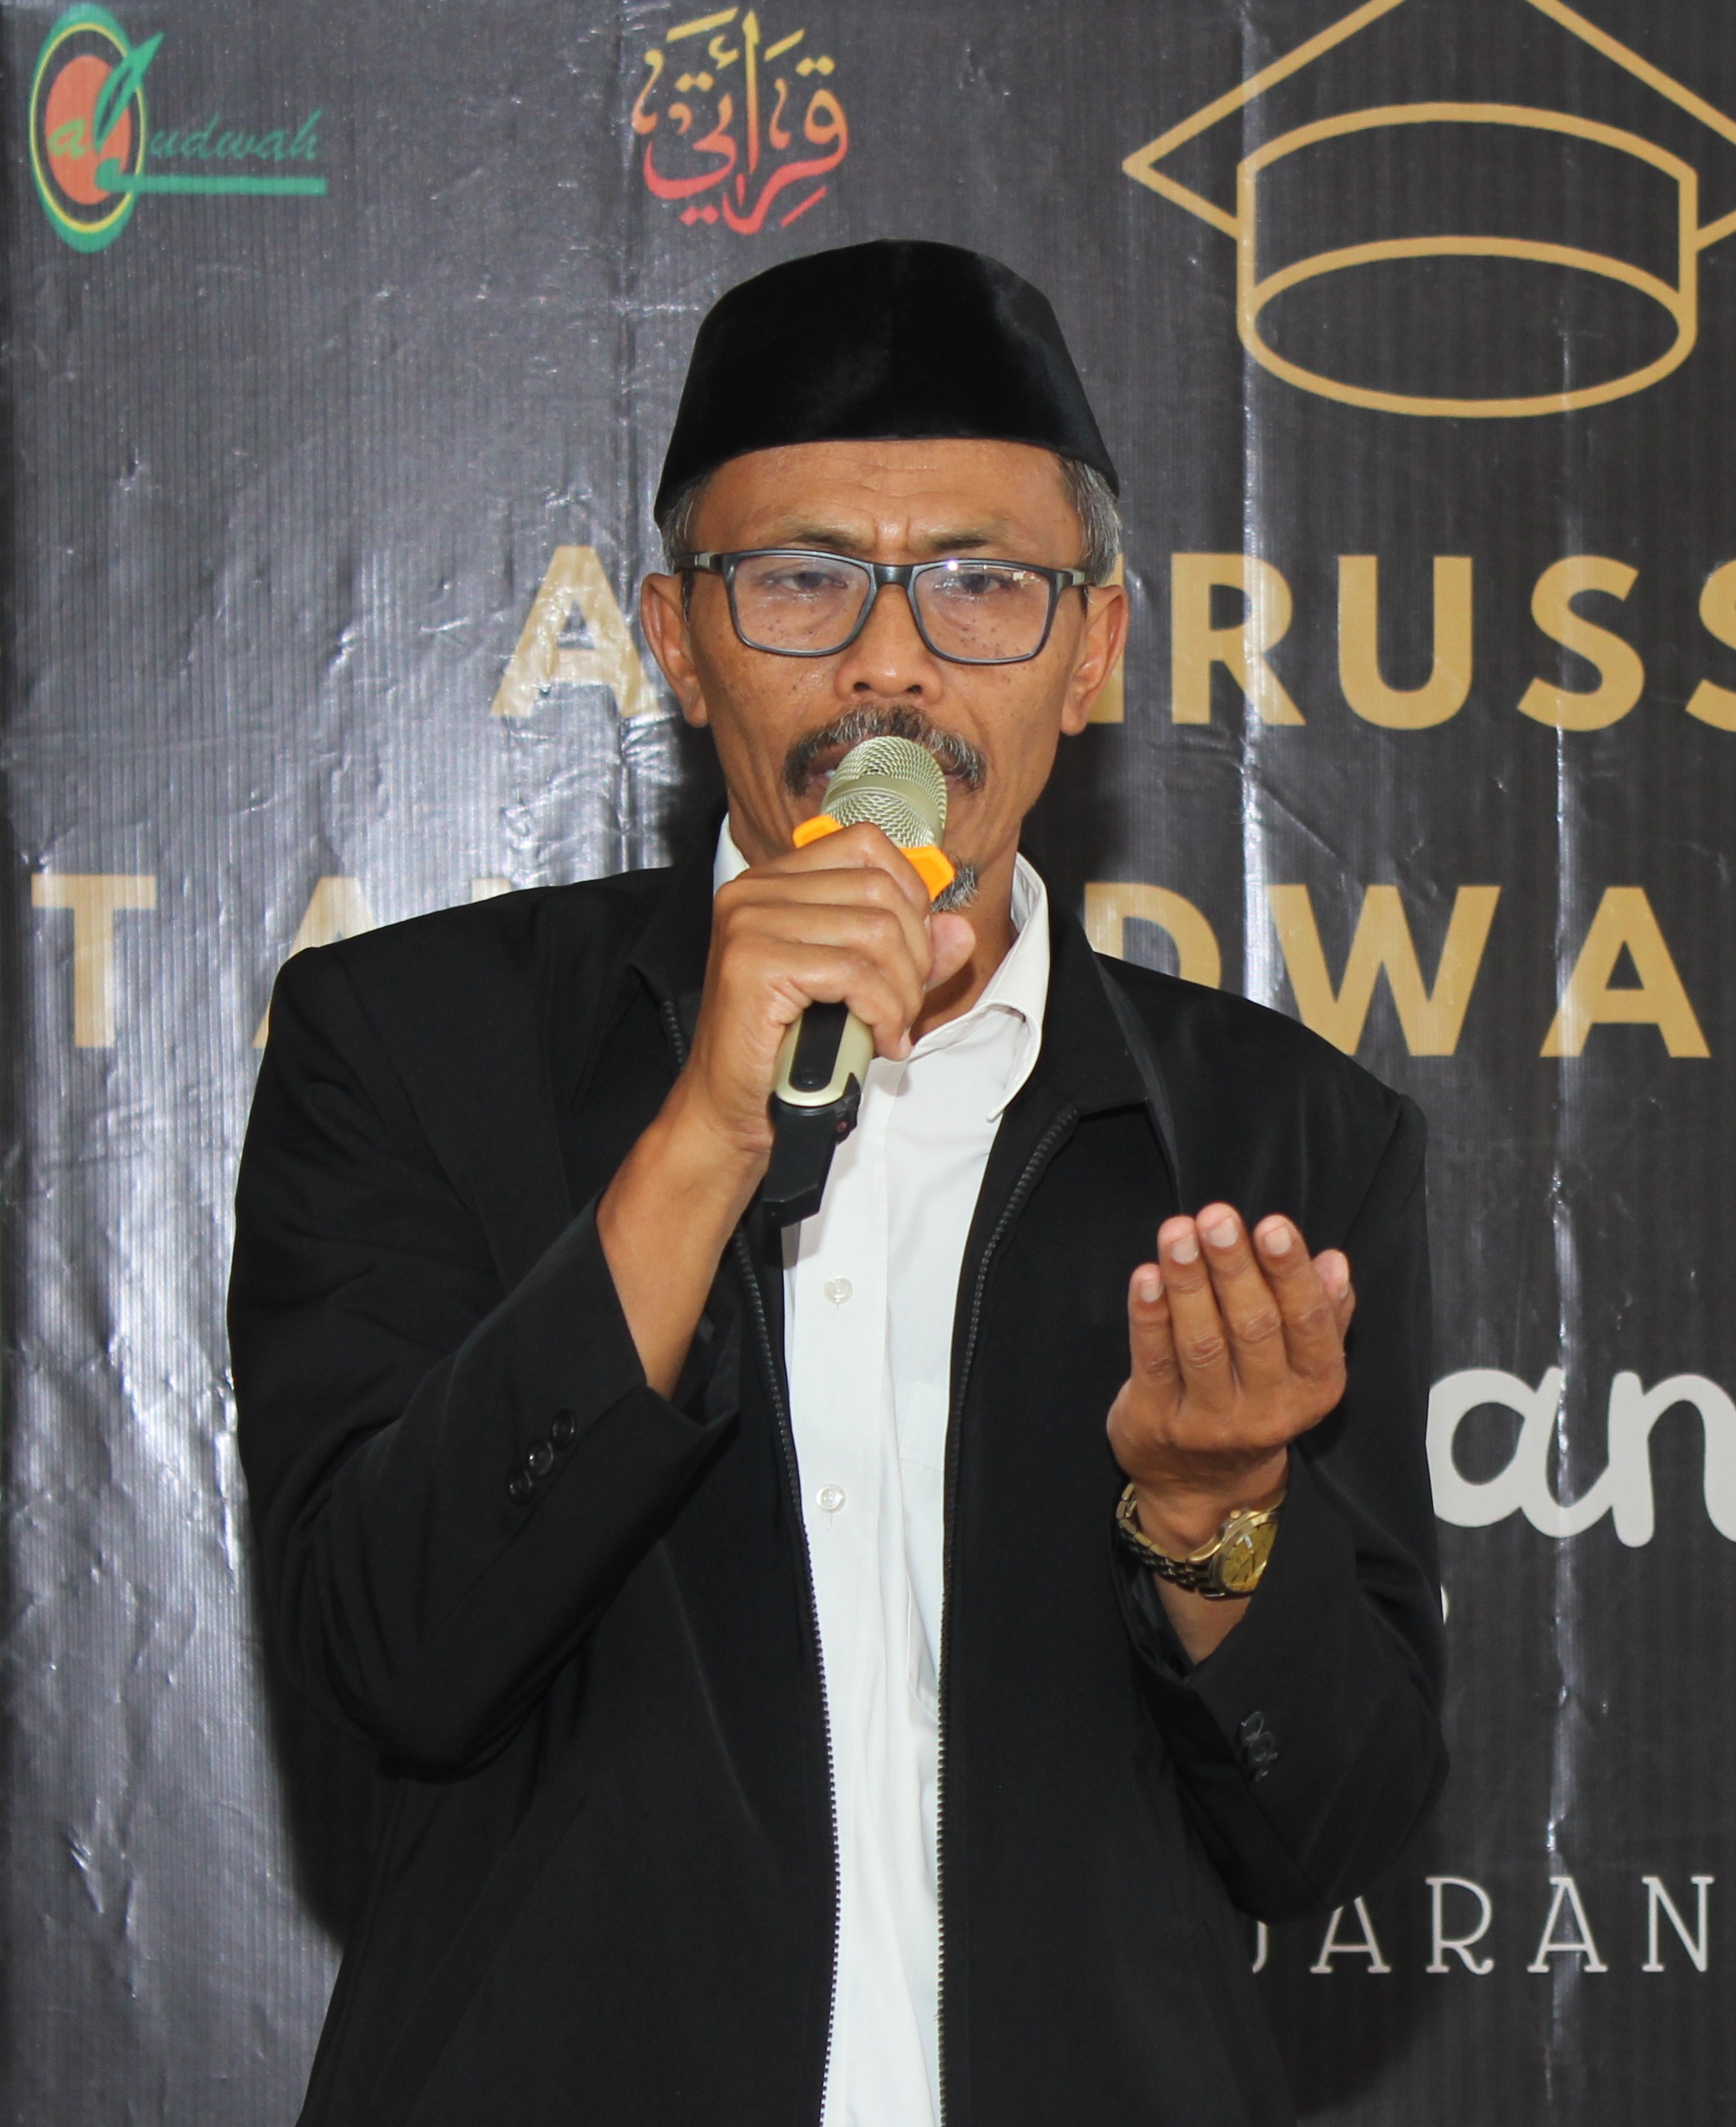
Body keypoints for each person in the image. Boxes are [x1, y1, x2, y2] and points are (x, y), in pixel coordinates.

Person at [229, 240, 1445, 2127]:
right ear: (674, 638)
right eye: (801, 578)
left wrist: (1212, 1519)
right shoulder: (413, 1048)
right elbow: (390, 1653)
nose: (889, 660)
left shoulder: (1274, 1139)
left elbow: (1335, 1823)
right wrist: (706, 1134)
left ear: (1093, 652)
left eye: (980, 583)